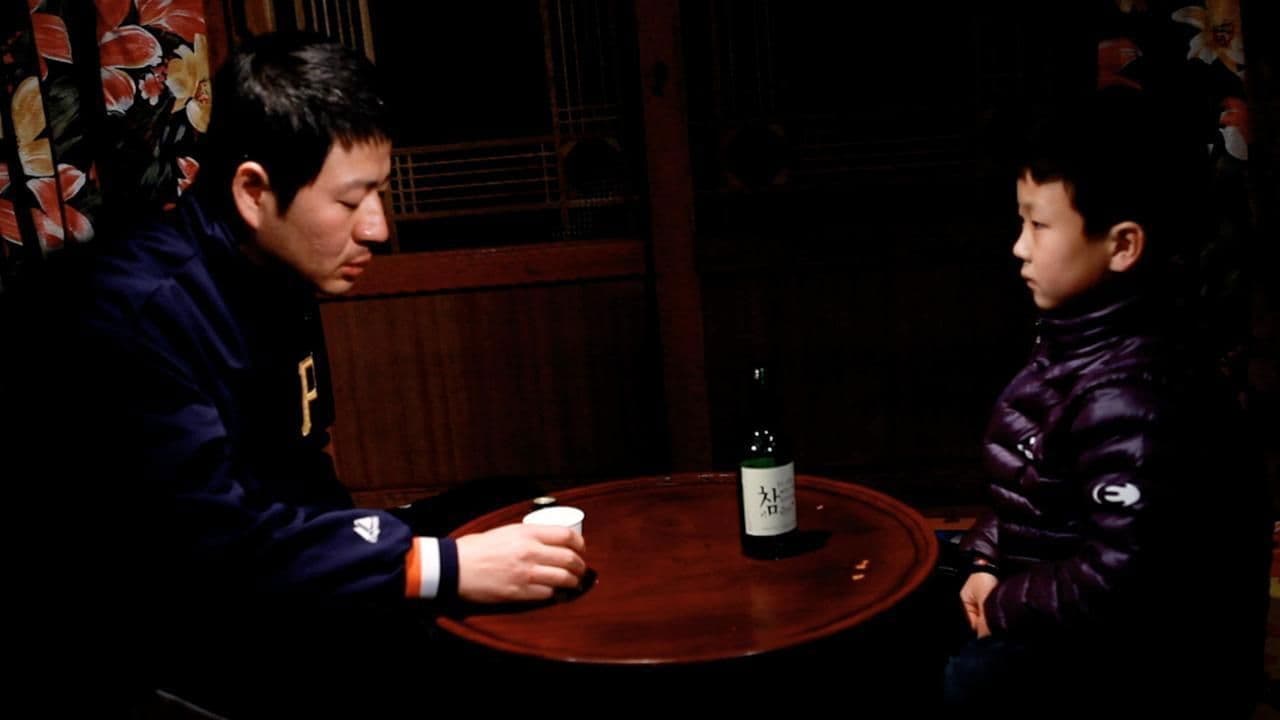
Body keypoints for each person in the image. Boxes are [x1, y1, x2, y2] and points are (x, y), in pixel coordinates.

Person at [24, 32, 585, 715]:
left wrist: (398, 552)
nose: (377, 229)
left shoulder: (275, 269)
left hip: (281, 561)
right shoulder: (136, 312)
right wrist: (433, 565)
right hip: (186, 630)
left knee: (516, 503)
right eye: (350, 202)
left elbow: (299, 471)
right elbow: (214, 549)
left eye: (380, 193)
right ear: (254, 191)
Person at [943, 92, 1271, 717]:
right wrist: (987, 556)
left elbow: (1121, 577)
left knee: (960, 678)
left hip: (1133, 669)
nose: (1019, 247)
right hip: (1063, 604)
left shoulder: (1139, 391)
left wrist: (1004, 603)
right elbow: (1037, 488)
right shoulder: (1082, 334)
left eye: (1039, 225)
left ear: (1122, 245)